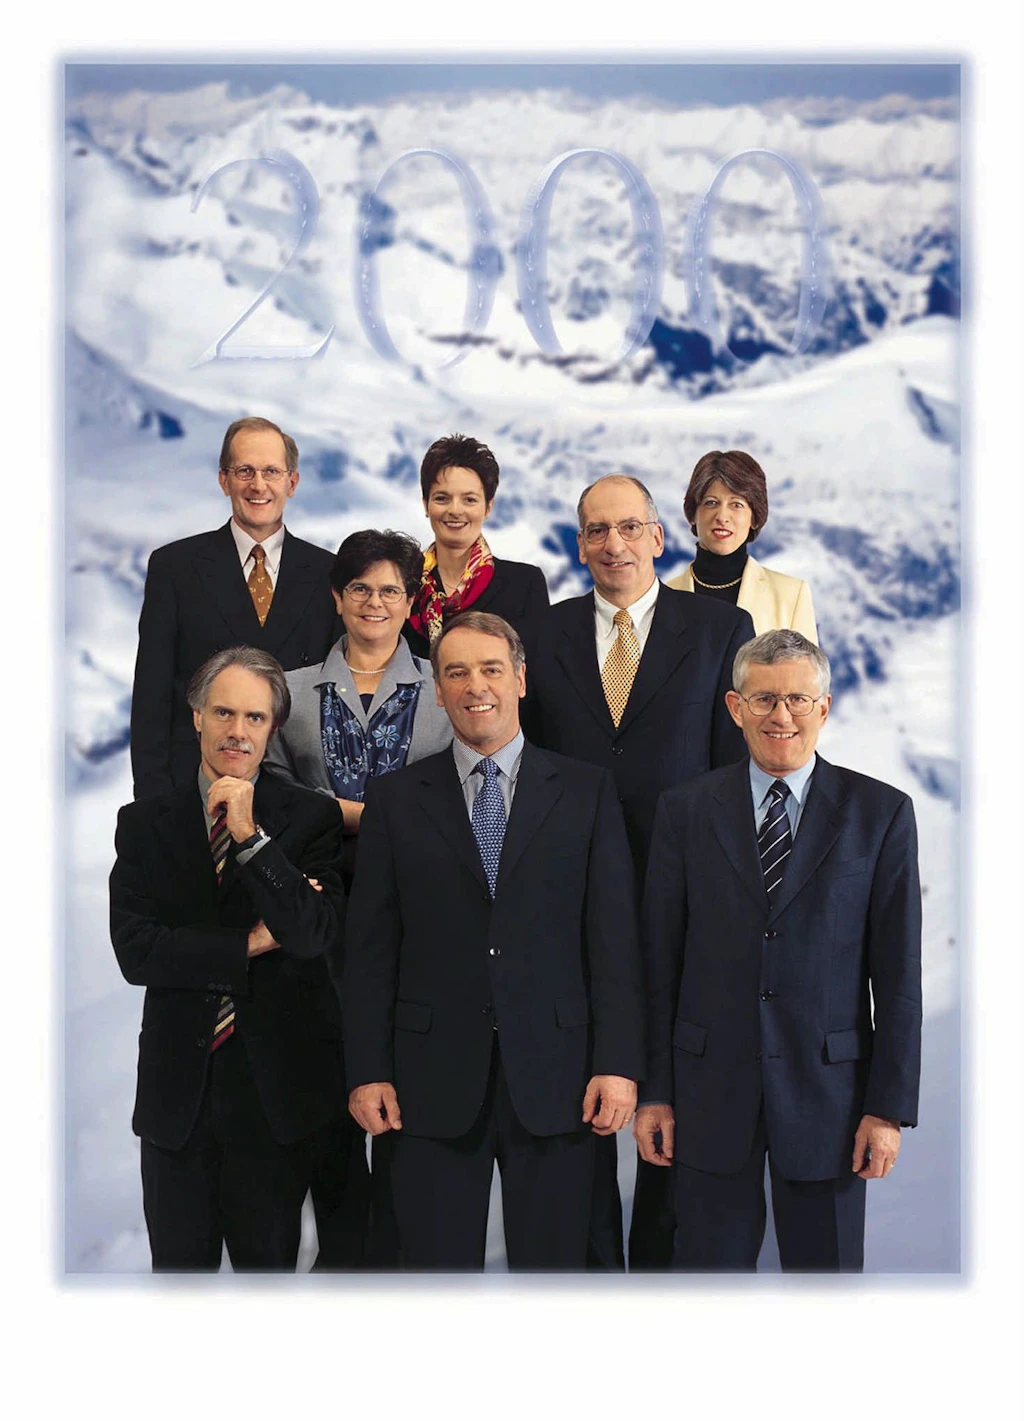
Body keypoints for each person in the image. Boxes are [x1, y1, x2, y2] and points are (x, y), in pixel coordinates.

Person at [342, 612, 645, 1270]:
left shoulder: (587, 791)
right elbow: (370, 950)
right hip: (427, 1080)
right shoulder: (394, 800)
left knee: (565, 1279)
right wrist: (367, 1070)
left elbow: (614, 940)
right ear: (439, 690)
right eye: (456, 672)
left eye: (491, 669)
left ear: (521, 679)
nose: (475, 685)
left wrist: (618, 1061)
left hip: (562, 1076)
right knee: (426, 1277)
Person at [519, 473, 755, 1271]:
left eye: (628, 527)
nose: (612, 543)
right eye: (595, 530)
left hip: (685, 901)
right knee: (578, 1103)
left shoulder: (723, 628)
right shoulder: (541, 634)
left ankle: (661, 1290)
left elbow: (735, 773)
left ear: (659, 537)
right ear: (578, 543)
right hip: (568, 901)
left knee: (674, 1109)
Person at [635, 630, 921, 1271]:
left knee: (827, 1288)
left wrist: (886, 1109)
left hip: (833, 1100)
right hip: (707, 1095)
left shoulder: (881, 813)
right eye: (764, 700)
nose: (781, 716)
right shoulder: (683, 811)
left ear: (824, 708)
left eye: (797, 699)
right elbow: (658, 964)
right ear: (735, 708)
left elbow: (899, 975)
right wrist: (654, 1091)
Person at [110, 647, 354, 1271]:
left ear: (273, 728)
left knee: (265, 1285)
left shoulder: (310, 817)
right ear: (196, 716)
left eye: (255, 717)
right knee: (178, 1283)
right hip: (176, 1104)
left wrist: (251, 838)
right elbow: (138, 951)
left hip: (274, 1101)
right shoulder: (144, 823)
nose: (237, 732)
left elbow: (311, 933)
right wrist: (246, 945)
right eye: (223, 712)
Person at [262, 528, 452, 1266]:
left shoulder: (445, 681)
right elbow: (273, 796)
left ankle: (402, 1260)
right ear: (338, 597)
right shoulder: (292, 687)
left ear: (412, 602)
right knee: (331, 1082)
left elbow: (465, 790)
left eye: (392, 590)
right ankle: (341, 1259)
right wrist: (374, 816)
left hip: (421, 913)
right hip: (318, 909)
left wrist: (340, 808)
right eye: (362, 589)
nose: (376, 602)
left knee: (409, 1084)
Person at [130, 416, 341, 801]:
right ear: (223, 479)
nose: (258, 485)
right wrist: (152, 802)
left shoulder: (330, 574)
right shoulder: (175, 568)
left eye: (271, 472)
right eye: (244, 470)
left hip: (296, 795)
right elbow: (151, 698)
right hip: (189, 791)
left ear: (291, 483)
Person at [404, 433, 549, 658]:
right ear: (426, 505)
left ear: (488, 507)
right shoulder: (403, 583)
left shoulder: (524, 585)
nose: (455, 510)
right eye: (442, 498)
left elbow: (535, 672)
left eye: (469, 500)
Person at [667, 449, 817, 640]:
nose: (722, 516)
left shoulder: (791, 596)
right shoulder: (662, 599)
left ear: (754, 518)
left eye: (736, 504)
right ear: (693, 515)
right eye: (711, 503)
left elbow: (807, 670)